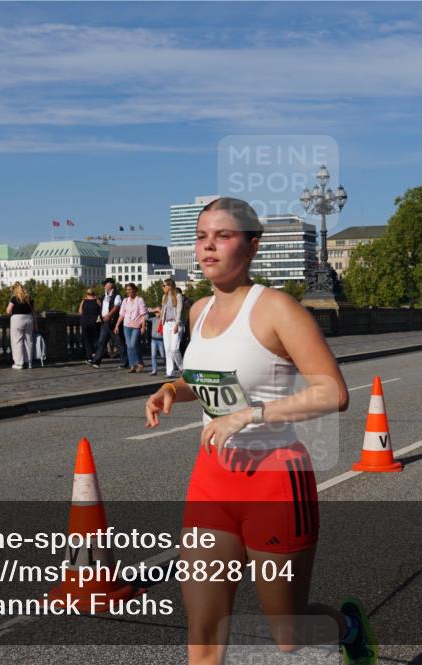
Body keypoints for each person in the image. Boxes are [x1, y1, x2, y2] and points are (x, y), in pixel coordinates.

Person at [143, 197, 376, 665]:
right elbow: (209, 378)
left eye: (223, 236)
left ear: (251, 246)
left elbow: (333, 392)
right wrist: (172, 388)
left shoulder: (277, 309)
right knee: (204, 629)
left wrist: (249, 415)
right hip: (212, 480)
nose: (208, 247)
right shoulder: (198, 311)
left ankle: (349, 629)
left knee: (288, 632)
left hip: (274, 479)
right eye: (202, 236)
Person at [88, 278, 126, 369]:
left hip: (113, 322)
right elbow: (104, 306)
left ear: (110, 285)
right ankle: (96, 361)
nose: (104, 286)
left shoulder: (116, 295)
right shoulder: (104, 295)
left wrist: (109, 315)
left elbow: (117, 306)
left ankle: (126, 362)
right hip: (105, 323)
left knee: (119, 342)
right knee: (102, 341)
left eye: (105, 284)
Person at [115, 282, 147, 373]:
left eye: (130, 289)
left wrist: (143, 327)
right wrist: (117, 325)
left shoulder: (139, 300)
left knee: (133, 345)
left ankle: (139, 362)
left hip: (136, 326)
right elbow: (121, 314)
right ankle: (133, 365)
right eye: (127, 290)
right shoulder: (125, 301)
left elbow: (143, 315)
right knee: (129, 346)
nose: (128, 292)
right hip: (126, 326)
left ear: (134, 290)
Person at [157, 277, 184, 377]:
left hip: (175, 324)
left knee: (174, 349)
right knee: (167, 349)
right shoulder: (164, 297)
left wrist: (177, 324)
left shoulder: (178, 296)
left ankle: (182, 368)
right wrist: (160, 324)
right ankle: (170, 372)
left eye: (164, 285)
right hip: (166, 324)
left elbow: (179, 311)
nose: (163, 287)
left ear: (169, 286)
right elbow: (163, 311)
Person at [5, 282, 36, 369]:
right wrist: (36, 325)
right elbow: (34, 312)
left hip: (17, 320)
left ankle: (19, 363)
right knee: (28, 341)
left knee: (17, 341)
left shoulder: (14, 298)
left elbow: (8, 311)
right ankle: (29, 362)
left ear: (14, 290)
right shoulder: (29, 299)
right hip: (29, 319)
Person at [79, 288, 101, 362]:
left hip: (85, 322)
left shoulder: (83, 301)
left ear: (86, 294)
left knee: (86, 339)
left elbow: (80, 312)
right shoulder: (97, 301)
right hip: (95, 322)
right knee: (96, 338)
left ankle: (89, 356)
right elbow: (102, 310)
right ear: (94, 294)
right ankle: (94, 353)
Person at [147, 310, 166, 376]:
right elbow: (146, 317)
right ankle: (154, 370)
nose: (157, 314)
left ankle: (168, 367)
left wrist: (160, 311)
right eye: (156, 313)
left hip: (160, 340)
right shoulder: (153, 319)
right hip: (153, 340)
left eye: (158, 312)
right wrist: (152, 311)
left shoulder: (163, 319)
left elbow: (163, 314)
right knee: (153, 355)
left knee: (163, 355)